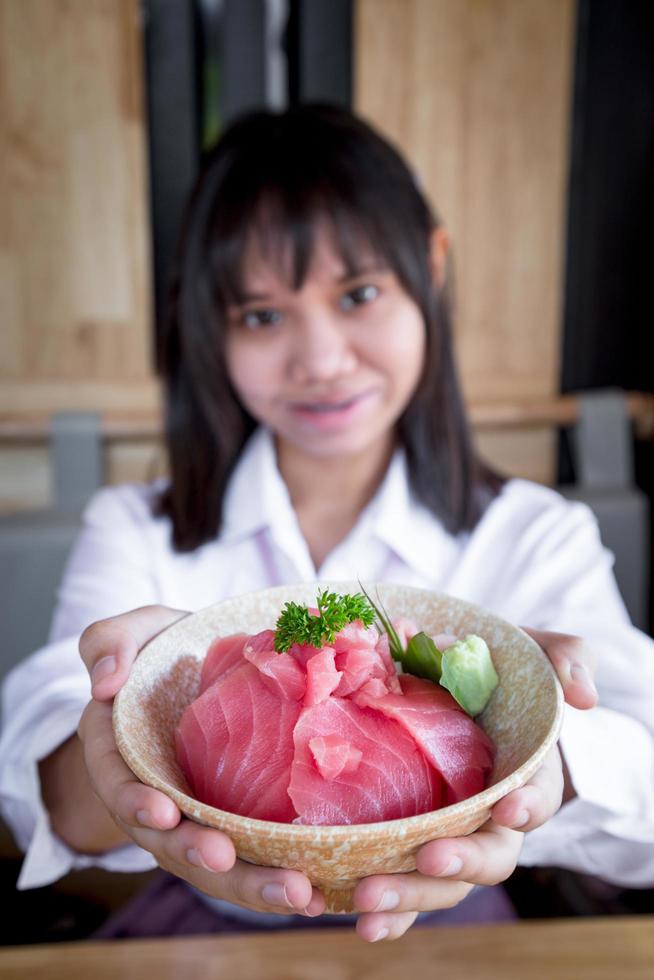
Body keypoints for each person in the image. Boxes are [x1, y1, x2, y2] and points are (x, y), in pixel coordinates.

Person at [1, 104, 653, 945]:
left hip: (460, 933)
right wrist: (126, 727)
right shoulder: (133, 525)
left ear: (432, 265)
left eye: (359, 293)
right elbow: (42, 771)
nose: (320, 360)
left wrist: (541, 757)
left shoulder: (536, 532)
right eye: (262, 316)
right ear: (213, 328)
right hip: (198, 937)